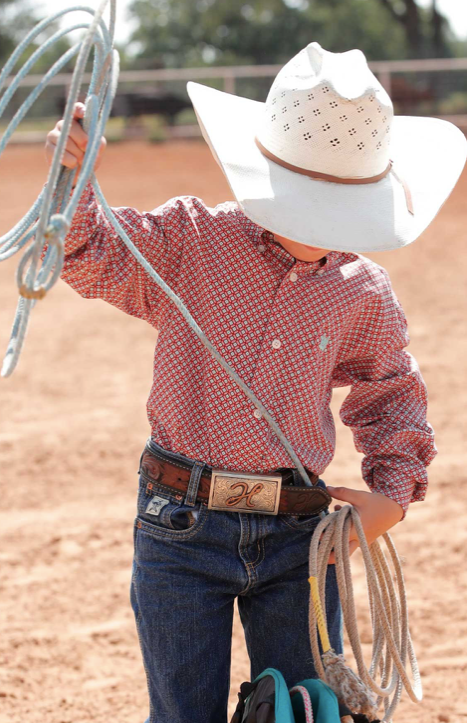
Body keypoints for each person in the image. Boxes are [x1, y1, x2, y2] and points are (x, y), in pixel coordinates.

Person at [44, 43, 466, 723]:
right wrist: (75, 185)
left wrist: (392, 490)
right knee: (185, 713)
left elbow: (390, 394)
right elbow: (97, 255)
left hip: (298, 534)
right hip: (180, 522)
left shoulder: (362, 291)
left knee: (305, 710)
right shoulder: (192, 239)